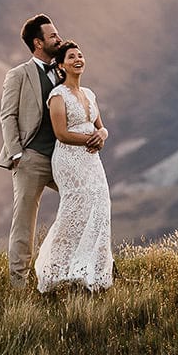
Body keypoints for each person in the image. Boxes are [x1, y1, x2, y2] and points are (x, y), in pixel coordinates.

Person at [0, 14, 104, 287]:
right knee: (24, 222)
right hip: (31, 158)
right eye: (53, 36)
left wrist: (101, 132)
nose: (58, 38)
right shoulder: (19, 75)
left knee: (90, 203)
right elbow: (8, 116)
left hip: (64, 159)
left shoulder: (63, 72)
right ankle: (18, 285)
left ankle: (79, 270)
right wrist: (17, 153)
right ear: (38, 42)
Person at [34, 40, 113, 293]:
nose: (78, 59)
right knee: (75, 212)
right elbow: (62, 133)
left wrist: (102, 134)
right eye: (71, 57)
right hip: (68, 159)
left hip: (92, 159)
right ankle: (55, 271)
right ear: (61, 66)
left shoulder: (89, 94)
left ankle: (92, 272)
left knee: (100, 207)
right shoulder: (58, 96)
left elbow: (101, 125)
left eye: (80, 55)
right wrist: (90, 139)